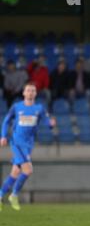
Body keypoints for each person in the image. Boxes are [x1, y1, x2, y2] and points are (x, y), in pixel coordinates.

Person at [0, 83, 56, 211]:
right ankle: (13, 195)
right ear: (23, 93)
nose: (30, 92)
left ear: (35, 93)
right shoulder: (17, 107)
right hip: (17, 142)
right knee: (28, 170)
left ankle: (1, 195)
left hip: (29, 144)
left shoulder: (39, 108)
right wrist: (3, 136)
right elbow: (6, 121)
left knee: (15, 173)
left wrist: (51, 124)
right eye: (28, 90)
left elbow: (48, 122)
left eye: (33, 90)